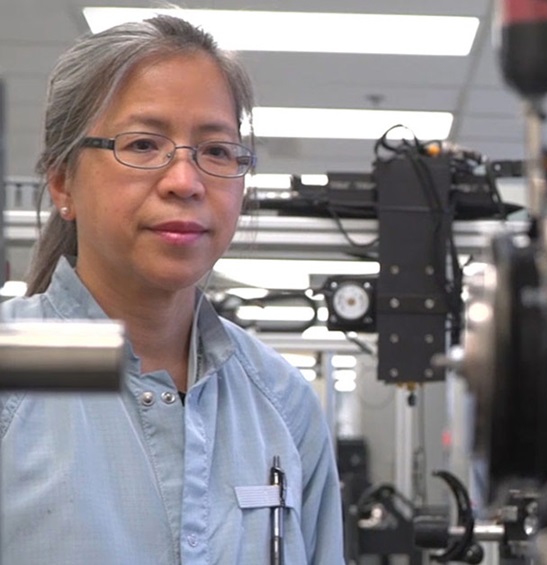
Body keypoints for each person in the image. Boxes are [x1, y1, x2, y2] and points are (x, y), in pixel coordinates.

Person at [0, 15, 345, 564]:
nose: (185, 181)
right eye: (142, 144)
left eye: (216, 151)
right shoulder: (15, 367)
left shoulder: (279, 400)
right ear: (63, 181)